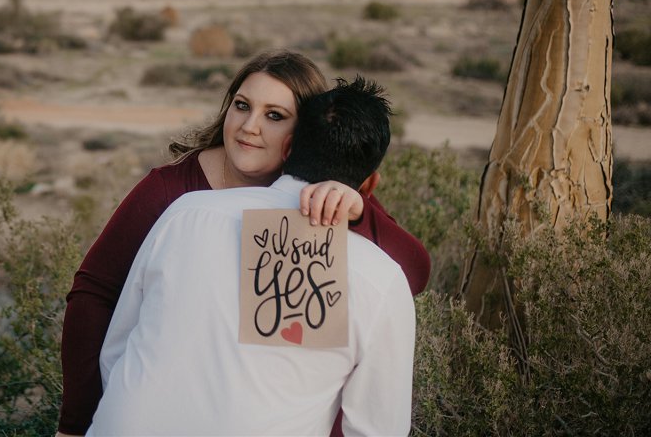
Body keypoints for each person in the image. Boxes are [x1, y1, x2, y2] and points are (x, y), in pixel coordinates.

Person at [58, 50, 429, 436]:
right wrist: (81, 422)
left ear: (298, 139)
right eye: (241, 106)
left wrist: (355, 208)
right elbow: (96, 296)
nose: (250, 127)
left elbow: (412, 271)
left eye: (274, 116)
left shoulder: (325, 202)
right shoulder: (178, 200)